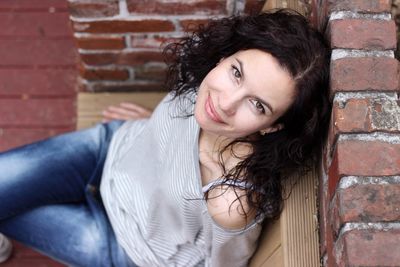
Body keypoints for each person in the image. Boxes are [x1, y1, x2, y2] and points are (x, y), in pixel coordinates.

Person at [0, 9, 330, 267]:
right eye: (236, 72)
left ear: (273, 126)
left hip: (123, 242)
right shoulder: (203, 79)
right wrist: (151, 124)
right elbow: (180, 138)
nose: (225, 103)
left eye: (257, 105)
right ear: (225, 57)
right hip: (113, 150)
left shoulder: (230, 202)